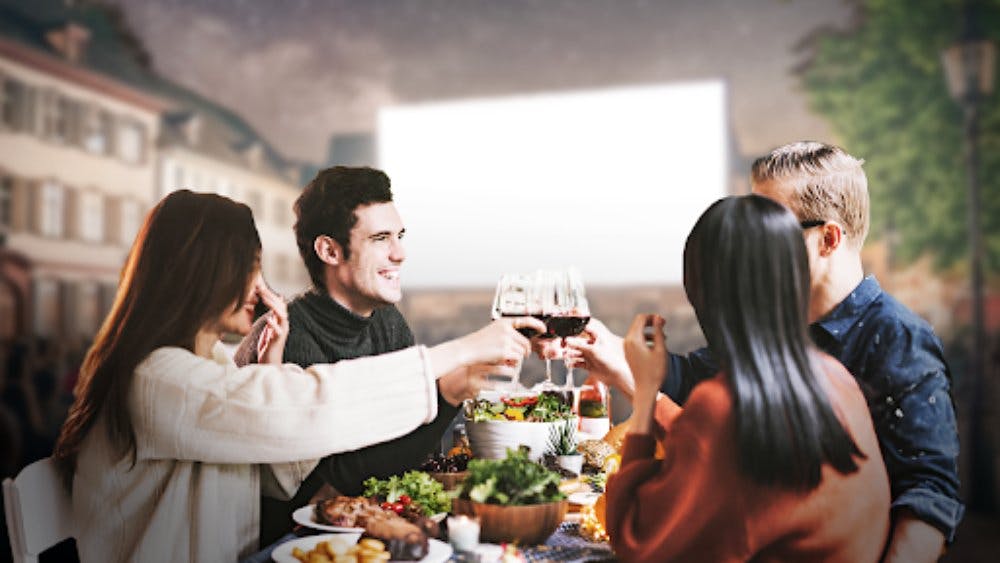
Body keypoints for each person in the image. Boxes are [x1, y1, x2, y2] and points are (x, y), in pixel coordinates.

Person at [52, 190, 542, 562]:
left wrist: (269, 370)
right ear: (203, 275)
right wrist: (458, 352)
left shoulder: (204, 367)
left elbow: (278, 468)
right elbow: (309, 408)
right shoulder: (157, 379)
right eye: (249, 269)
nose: (261, 287)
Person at [568, 142, 962, 562]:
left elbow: (929, 492)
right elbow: (694, 380)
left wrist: (644, 399)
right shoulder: (796, 339)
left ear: (828, 239)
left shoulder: (898, 338)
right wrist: (614, 351)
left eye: (770, 225)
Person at [605, 194, 890, 561]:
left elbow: (635, 537)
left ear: (702, 289)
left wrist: (646, 393)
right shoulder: (838, 380)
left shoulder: (723, 407)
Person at [234, 166, 487, 545]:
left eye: (399, 236)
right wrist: (447, 394)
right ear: (329, 250)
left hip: (374, 532)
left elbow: (408, 445)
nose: (400, 254)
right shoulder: (285, 336)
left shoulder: (388, 321)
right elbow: (323, 490)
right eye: (381, 238)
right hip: (299, 545)